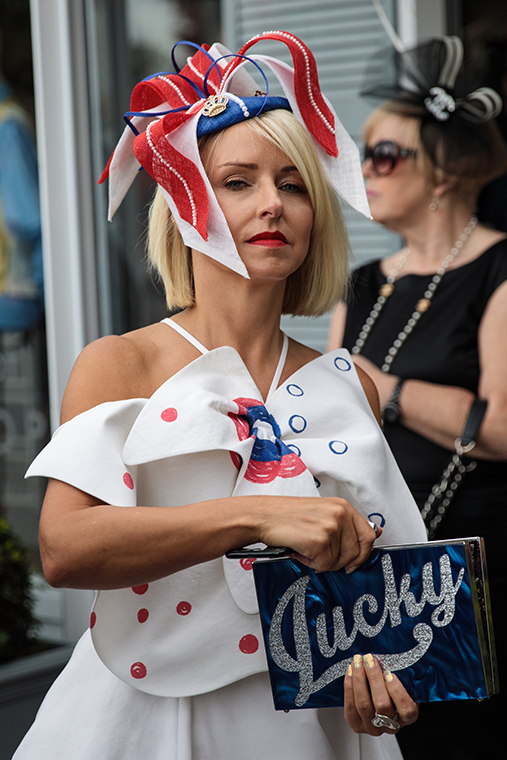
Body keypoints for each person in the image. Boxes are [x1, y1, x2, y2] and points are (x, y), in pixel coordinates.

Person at [14, 33, 427, 759]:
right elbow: (65, 547)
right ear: (182, 205)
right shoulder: (121, 363)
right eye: (238, 182)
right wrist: (259, 514)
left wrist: (381, 689)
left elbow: (381, 594)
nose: (272, 203)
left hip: (311, 727)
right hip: (144, 717)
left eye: (294, 183)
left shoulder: (347, 381)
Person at [328, 35, 507, 760]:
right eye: (362, 151)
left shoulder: (497, 267)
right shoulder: (365, 284)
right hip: (383, 564)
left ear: (443, 173)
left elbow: (498, 428)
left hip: (480, 563)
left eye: (385, 154)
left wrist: (385, 387)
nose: (364, 168)